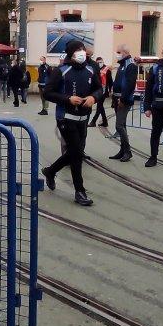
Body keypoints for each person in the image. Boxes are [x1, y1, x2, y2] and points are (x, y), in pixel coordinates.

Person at [42, 40, 102, 206]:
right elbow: (48, 92)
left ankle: (50, 171)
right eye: (78, 50)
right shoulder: (61, 71)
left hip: (83, 119)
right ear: (71, 53)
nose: (82, 52)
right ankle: (79, 191)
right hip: (66, 118)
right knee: (76, 154)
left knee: (76, 152)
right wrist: (67, 99)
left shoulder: (90, 70)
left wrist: (93, 97)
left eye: (83, 49)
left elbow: (99, 89)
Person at [108, 44, 137, 161]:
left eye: (118, 52)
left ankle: (128, 151)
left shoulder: (130, 65)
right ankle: (122, 150)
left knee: (119, 125)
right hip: (117, 98)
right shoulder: (122, 65)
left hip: (124, 100)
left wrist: (123, 99)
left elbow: (129, 85)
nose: (117, 54)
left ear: (124, 52)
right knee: (122, 125)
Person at [88, 57, 110, 128]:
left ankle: (93, 122)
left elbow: (110, 81)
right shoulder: (96, 69)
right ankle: (105, 122)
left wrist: (109, 91)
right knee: (101, 107)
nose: (99, 63)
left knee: (99, 106)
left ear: (103, 62)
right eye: (98, 62)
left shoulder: (107, 69)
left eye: (101, 62)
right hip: (98, 91)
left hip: (104, 91)